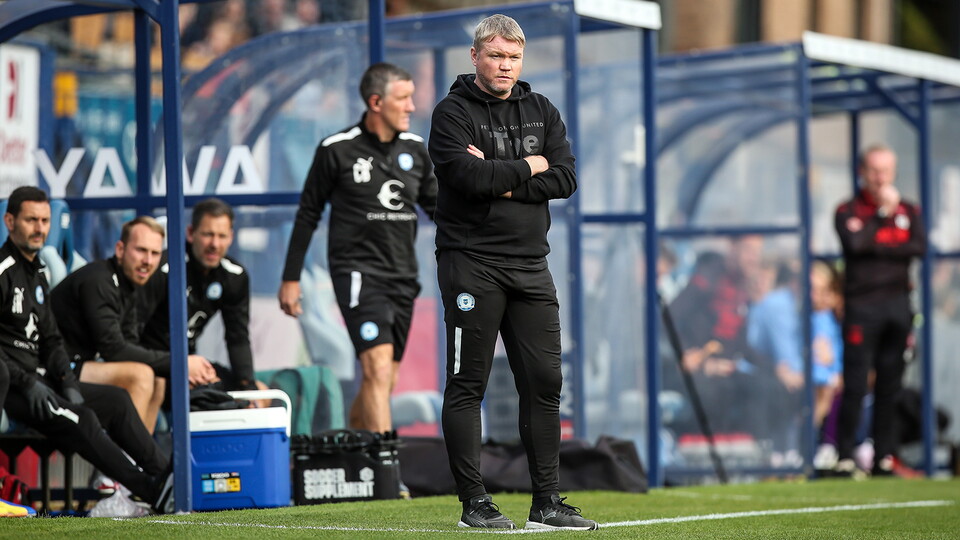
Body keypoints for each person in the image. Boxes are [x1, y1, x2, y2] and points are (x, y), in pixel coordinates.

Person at [428, 14, 596, 530]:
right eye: (497, 56)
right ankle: (473, 504)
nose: (505, 66)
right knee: (468, 384)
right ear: (476, 56)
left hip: (530, 266)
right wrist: (530, 166)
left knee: (545, 383)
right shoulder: (451, 113)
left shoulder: (541, 108)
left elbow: (566, 176)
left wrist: (502, 177)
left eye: (514, 57)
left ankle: (547, 504)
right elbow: (467, 177)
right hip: (470, 264)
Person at [278, 62, 437, 435]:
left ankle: (350, 449)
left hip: (403, 276)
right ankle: (388, 474)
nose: (412, 106)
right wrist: (290, 279)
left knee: (384, 377)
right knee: (377, 369)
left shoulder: (416, 150)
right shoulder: (336, 149)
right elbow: (307, 215)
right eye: (404, 98)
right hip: (358, 275)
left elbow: (439, 211)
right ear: (376, 102)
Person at [0, 187, 172, 513]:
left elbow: (50, 339)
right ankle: (145, 491)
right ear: (10, 222)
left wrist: (66, 380)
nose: (39, 228)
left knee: (117, 401)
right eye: (30, 220)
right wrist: (27, 382)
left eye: (45, 220)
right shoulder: (3, 269)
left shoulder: (38, 274)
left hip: (43, 378)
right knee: (82, 418)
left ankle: (165, 476)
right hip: (13, 384)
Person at [51, 216, 217, 433]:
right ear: (120, 249)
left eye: (155, 253)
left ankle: (139, 462)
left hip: (80, 365)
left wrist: (183, 369)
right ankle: (127, 461)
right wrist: (181, 364)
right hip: (54, 367)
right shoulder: (99, 280)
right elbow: (114, 350)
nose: (148, 261)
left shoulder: (130, 286)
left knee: (157, 379)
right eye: (141, 250)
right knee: (141, 376)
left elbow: (128, 343)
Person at [833, 144, 927, 477]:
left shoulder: (910, 210)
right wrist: (881, 217)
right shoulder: (848, 210)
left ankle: (884, 456)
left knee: (891, 384)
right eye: (874, 171)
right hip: (862, 308)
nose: (880, 178)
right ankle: (844, 455)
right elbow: (856, 246)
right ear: (862, 172)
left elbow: (918, 247)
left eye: (886, 170)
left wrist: (878, 245)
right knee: (856, 384)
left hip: (897, 307)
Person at [139, 198, 259, 393]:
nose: (214, 244)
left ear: (231, 237)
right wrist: (177, 364)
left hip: (190, 362)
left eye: (222, 236)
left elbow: (237, 337)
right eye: (208, 234)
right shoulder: (164, 268)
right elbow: (132, 333)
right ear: (190, 233)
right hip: (152, 362)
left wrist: (248, 385)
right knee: (207, 394)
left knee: (253, 392)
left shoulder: (235, 276)